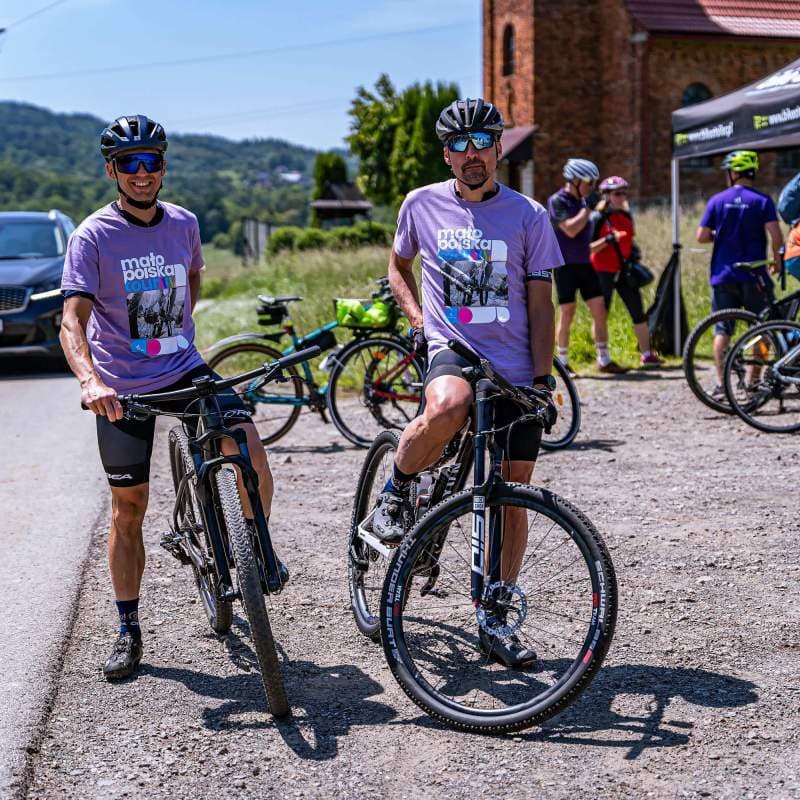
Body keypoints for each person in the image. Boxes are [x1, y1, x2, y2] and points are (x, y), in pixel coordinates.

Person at [60, 115, 279, 680]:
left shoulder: (184, 223)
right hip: (121, 385)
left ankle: (251, 553)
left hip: (185, 368)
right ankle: (127, 627)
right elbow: (72, 321)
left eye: (150, 161)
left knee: (250, 454)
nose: (141, 173)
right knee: (128, 507)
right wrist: (90, 380)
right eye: (128, 163)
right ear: (112, 171)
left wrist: (179, 336)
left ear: (163, 166)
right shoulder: (92, 236)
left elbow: (193, 282)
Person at [375, 97, 564, 669]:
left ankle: (495, 615)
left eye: (482, 142)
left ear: (499, 147)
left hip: (514, 368)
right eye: (459, 145)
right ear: (447, 156)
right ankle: (396, 491)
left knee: (514, 490)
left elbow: (541, 304)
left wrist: (541, 380)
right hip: (453, 349)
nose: (471, 153)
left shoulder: (529, 214)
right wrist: (417, 320)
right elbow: (397, 266)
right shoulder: (421, 204)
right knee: (448, 405)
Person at [696, 150, 783, 395]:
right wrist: (776, 262)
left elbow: (701, 236)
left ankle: (723, 384)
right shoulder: (762, 200)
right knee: (762, 329)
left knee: (722, 330)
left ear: (733, 173)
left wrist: (720, 235)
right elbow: (776, 236)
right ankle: (754, 383)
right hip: (755, 277)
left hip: (723, 275)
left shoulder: (717, 200)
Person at [548, 159, 628, 376]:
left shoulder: (583, 201)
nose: (591, 187)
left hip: (586, 263)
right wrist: (587, 209)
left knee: (600, 310)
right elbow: (570, 230)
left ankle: (604, 359)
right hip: (565, 265)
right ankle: (563, 362)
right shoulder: (557, 201)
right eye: (588, 182)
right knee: (568, 312)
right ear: (574, 180)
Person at [589, 176, 662, 366]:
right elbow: (589, 248)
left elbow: (629, 240)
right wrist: (608, 240)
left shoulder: (626, 216)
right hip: (602, 271)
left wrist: (633, 254)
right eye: (617, 194)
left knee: (638, 312)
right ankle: (602, 356)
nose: (622, 197)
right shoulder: (597, 218)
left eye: (624, 193)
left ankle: (646, 354)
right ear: (606, 196)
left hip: (624, 270)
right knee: (601, 314)